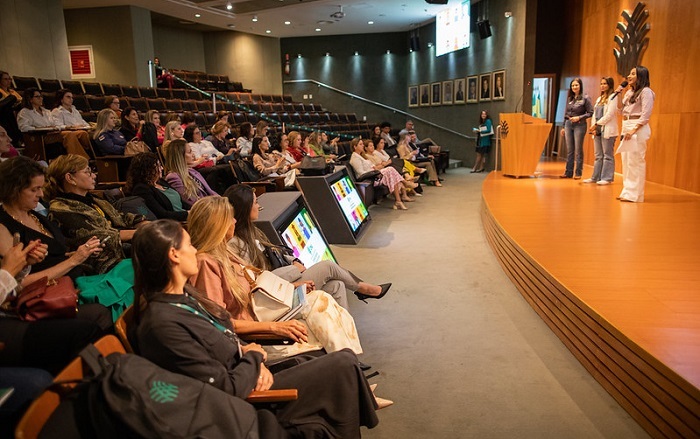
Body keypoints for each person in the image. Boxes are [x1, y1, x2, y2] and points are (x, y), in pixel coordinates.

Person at [131, 219, 384, 438]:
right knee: (343, 364)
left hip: (250, 375)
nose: (195, 250)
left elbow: (225, 336)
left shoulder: (184, 299)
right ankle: (363, 403)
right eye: (189, 245)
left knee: (327, 358)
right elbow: (222, 388)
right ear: (174, 255)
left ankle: (361, 402)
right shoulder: (163, 324)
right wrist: (253, 358)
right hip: (245, 404)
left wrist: (253, 357)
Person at [187, 196, 366, 359]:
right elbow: (219, 324)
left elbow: (254, 286)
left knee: (323, 299)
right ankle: (350, 364)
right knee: (321, 306)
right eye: (230, 218)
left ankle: (350, 364)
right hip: (257, 334)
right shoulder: (206, 263)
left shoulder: (226, 252)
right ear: (218, 225)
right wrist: (275, 328)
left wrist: (293, 287)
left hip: (264, 317)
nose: (234, 221)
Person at [0, 156, 110, 375]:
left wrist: (77, 254)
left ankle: (111, 370)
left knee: (115, 290)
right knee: (95, 315)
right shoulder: (4, 226)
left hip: (67, 280)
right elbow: (16, 284)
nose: (41, 194)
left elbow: (48, 257)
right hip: (38, 297)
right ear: (13, 190)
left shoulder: (35, 215)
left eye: (41, 188)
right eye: (34, 189)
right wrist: (74, 260)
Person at [225, 184, 391, 308]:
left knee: (337, 285)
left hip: (284, 278)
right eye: (255, 203)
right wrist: (294, 270)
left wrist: (293, 261)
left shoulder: (252, 231)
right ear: (245, 207)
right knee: (328, 266)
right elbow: (258, 280)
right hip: (275, 292)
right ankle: (364, 289)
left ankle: (345, 337)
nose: (259, 206)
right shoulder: (235, 244)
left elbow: (273, 252)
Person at [44, 154, 145, 275]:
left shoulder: (93, 199)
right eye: (87, 172)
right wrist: (141, 232)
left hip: (125, 249)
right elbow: (100, 236)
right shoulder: (61, 209)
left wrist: (142, 222)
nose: (94, 175)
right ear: (70, 178)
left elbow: (120, 216)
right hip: (103, 263)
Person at [16, 88, 90, 159]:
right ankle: (81, 160)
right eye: (37, 97)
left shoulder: (46, 111)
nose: (41, 98)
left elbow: (55, 124)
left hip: (53, 133)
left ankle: (85, 157)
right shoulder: (25, 112)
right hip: (40, 136)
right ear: (30, 99)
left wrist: (55, 127)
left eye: (41, 96)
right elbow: (23, 128)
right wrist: (39, 128)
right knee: (69, 135)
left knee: (80, 133)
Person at [618, 66, 655, 203]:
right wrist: (618, 94)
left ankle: (635, 195)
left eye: (633, 74)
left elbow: (645, 115)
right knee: (626, 161)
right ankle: (627, 191)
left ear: (641, 76)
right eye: (629, 73)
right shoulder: (629, 92)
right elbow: (620, 110)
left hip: (637, 127)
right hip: (626, 124)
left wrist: (633, 130)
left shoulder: (646, 92)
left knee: (636, 161)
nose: (629, 76)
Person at [124, 152, 188, 221]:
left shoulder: (161, 182)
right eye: (158, 166)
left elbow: (182, 203)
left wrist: (193, 210)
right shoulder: (142, 189)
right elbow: (161, 215)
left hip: (185, 218)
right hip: (173, 222)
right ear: (148, 170)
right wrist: (187, 214)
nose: (162, 168)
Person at [350, 137, 410, 210]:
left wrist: (374, 168)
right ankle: (405, 183)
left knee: (392, 175)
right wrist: (373, 170)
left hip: (374, 173)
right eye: (360, 144)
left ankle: (398, 201)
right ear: (355, 147)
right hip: (370, 177)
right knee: (390, 169)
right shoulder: (355, 158)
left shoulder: (361, 156)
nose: (362, 145)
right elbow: (361, 173)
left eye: (362, 144)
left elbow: (372, 165)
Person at [163, 138, 218, 207]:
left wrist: (220, 200)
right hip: (203, 208)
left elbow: (210, 191)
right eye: (189, 152)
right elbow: (191, 201)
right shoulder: (173, 177)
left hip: (211, 203)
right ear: (180, 156)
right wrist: (213, 204)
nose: (193, 155)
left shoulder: (191, 171)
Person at [584, 77, 618, 185]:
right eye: (601, 83)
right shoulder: (599, 99)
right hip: (597, 130)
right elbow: (595, 115)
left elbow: (610, 114)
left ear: (609, 85)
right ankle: (595, 177)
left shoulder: (613, 97)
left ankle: (607, 178)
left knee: (607, 155)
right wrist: (593, 127)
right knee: (598, 155)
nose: (602, 86)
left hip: (607, 130)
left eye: (605, 84)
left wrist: (597, 124)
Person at [560, 78, 593, 179]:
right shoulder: (570, 98)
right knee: (570, 150)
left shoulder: (585, 98)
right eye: (573, 85)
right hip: (568, 124)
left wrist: (579, 117)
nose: (574, 87)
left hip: (579, 125)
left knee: (578, 150)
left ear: (580, 86)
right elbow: (566, 113)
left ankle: (578, 173)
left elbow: (590, 112)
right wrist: (563, 126)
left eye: (576, 85)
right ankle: (568, 172)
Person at [0, 71, 22, 145]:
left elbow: (20, 101)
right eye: (5, 79)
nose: (9, 81)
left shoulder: (12, 91)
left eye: (9, 79)